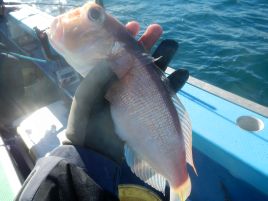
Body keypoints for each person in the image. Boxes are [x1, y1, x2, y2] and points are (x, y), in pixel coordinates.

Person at [15, 20, 189, 200]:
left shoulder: (115, 55)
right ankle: (178, 181)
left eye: (94, 15)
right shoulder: (113, 57)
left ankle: (178, 182)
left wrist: (79, 153)